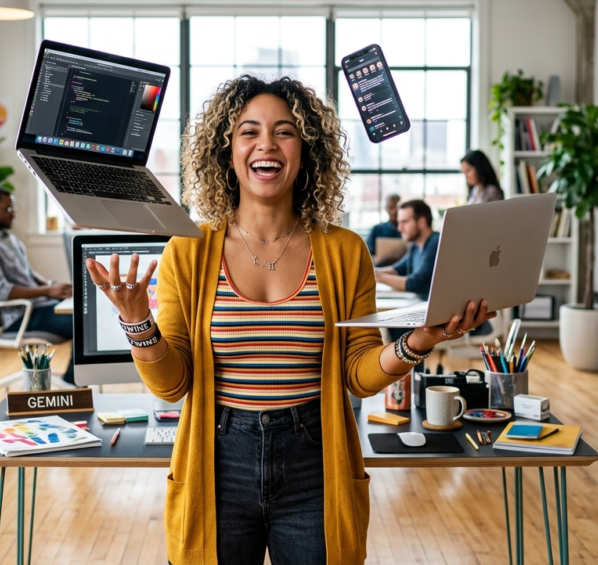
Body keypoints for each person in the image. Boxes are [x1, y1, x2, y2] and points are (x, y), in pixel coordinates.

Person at [85, 76, 494, 565]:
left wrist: (420, 338)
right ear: (226, 150)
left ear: (305, 151)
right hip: (217, 460)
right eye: (248, 131)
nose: (267, 144)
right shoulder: (188, 250)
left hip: (315, 461)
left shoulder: (344, 251)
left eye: (285, 131)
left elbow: (358, 375)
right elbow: (173, 385)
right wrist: (137, 321)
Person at [0, 187, 77, 386]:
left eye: (13, 207)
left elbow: (29, 274)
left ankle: (76, 380)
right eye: (8, 209)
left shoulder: (8, 238)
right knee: (83, 325)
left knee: (84, 313)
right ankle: (73, 384)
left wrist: (53, 286)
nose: (14, 213)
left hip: (38, 307)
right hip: (19, 317)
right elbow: (1, 293)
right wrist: (47, 291)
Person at [374, 199, 439, 301]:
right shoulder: (416, 245)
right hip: (420, 304)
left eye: (404, 222)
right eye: (399, 222)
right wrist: (370, 272)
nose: (399, 228)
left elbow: (417, 283)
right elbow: (398, 269)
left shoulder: (436, 243)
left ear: (421, 222)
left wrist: (377, 277)